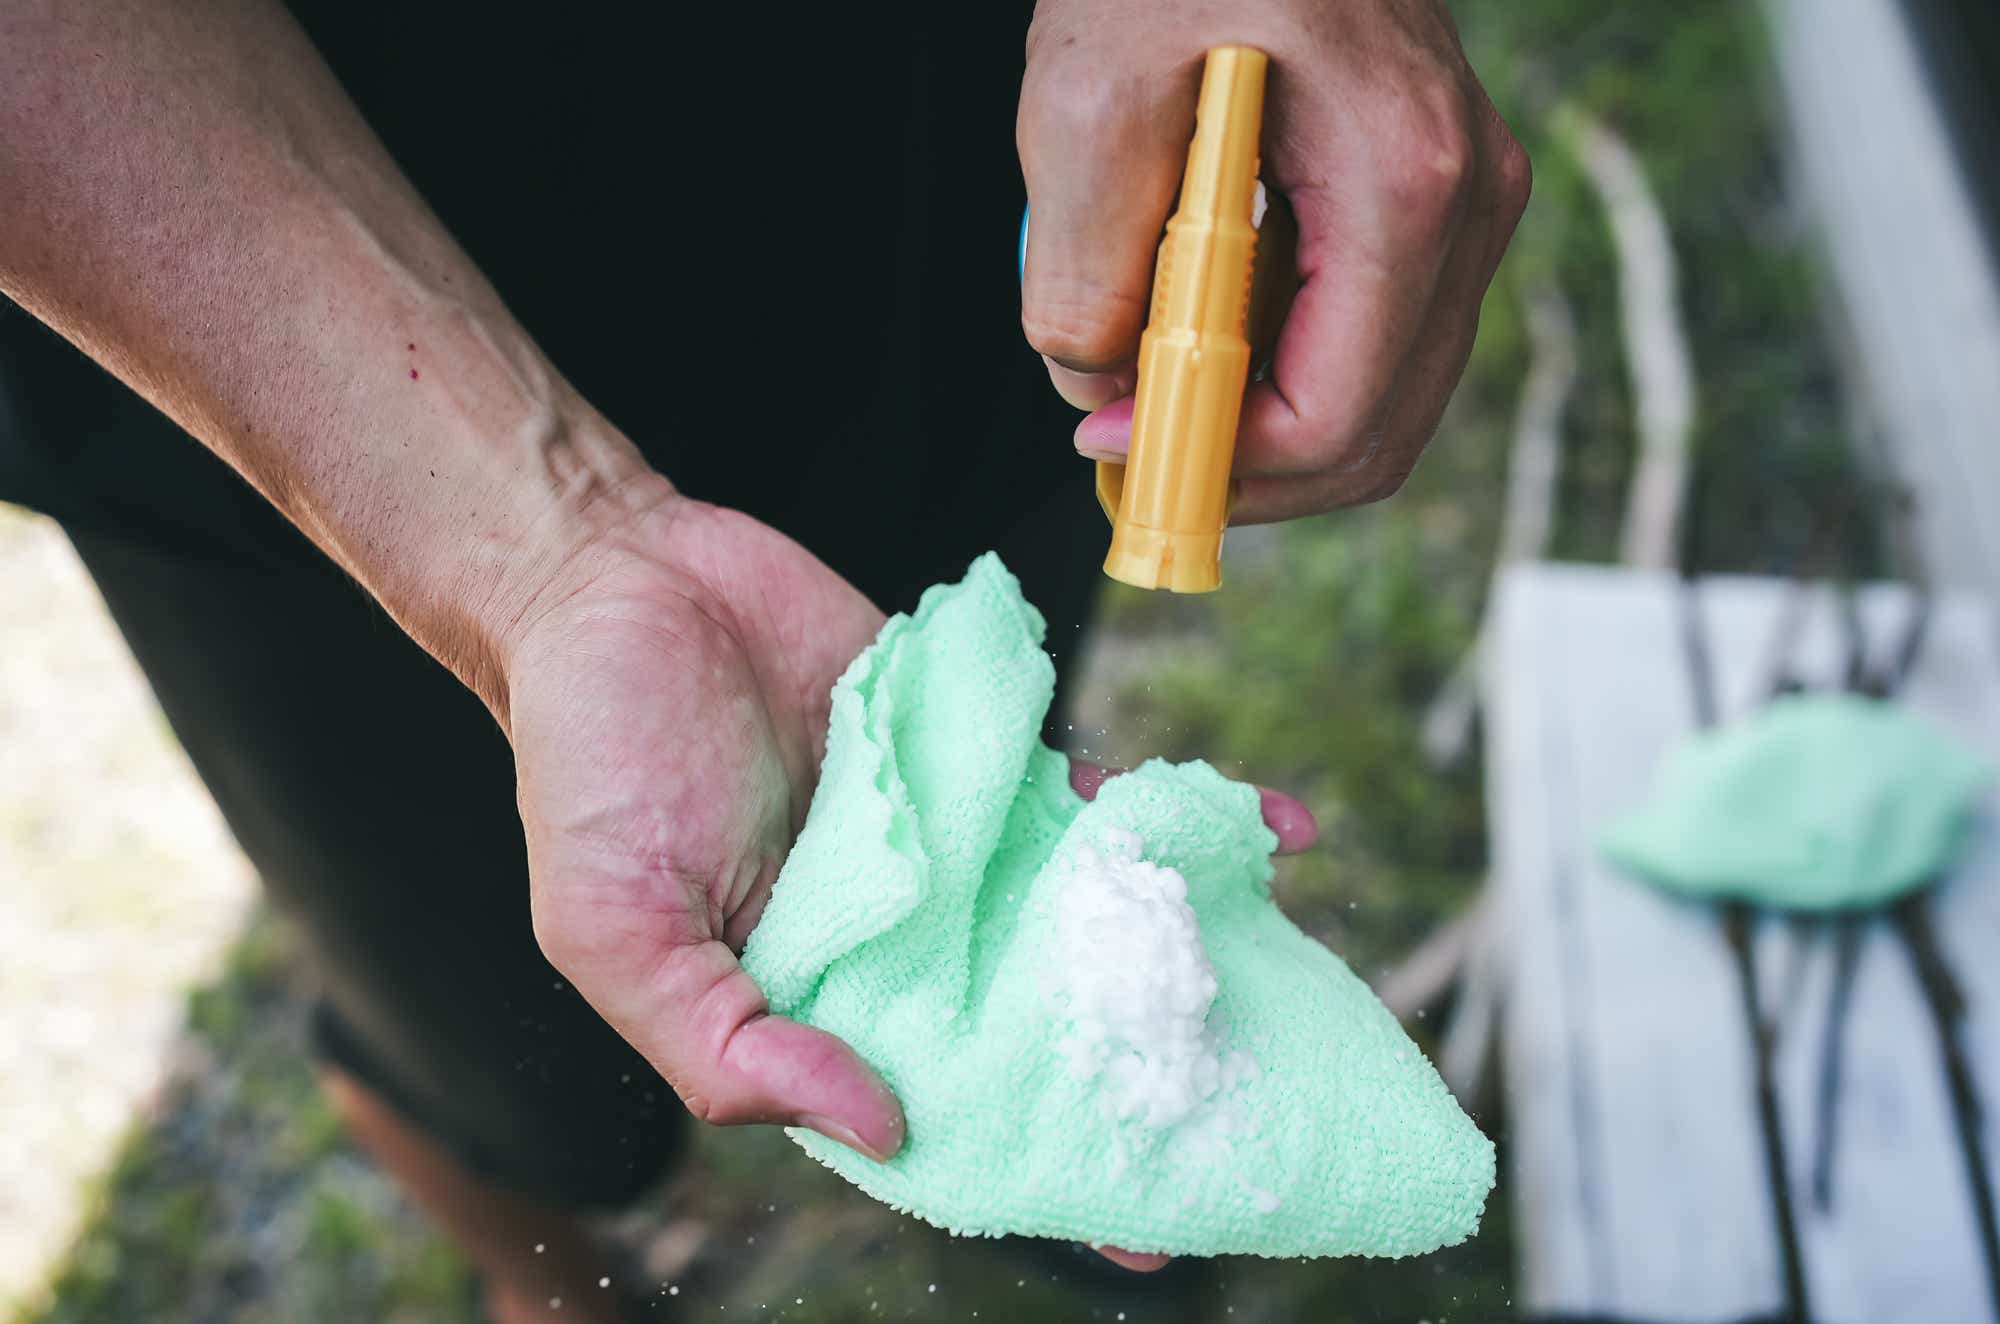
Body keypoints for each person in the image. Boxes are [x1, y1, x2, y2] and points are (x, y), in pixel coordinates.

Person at [0, 2, 1527, 1319]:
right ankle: (542, 1265)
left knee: (975, 697)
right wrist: (549, 556)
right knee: (473, 1026)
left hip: (923, 161)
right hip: (260, 327)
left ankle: (1022, 1139)